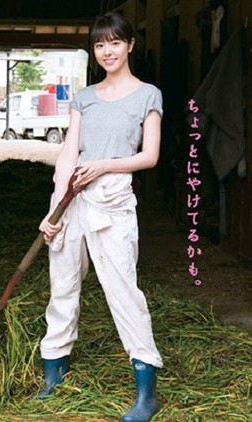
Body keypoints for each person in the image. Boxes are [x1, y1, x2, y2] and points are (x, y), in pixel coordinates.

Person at [36, 11, 163, 422]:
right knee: (62, 287)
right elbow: (69, 154)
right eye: (99, 44)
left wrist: (105, 165)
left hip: (113, 200)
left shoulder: (148, 95)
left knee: (124, 290)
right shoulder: (84, 97)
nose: (107, 51)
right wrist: (54, 210)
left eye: (114, 43)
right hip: (72, 197)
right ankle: (54, 372)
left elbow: (150, 156)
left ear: (130, 45)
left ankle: (146, 393)